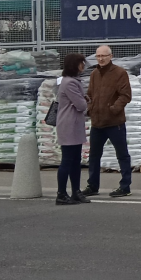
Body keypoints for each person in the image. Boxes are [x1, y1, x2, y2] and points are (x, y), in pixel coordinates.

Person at [82, 45, 133, 198]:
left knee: (122, 154)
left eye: (104, 56)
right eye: (98, 56)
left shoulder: (119, 73)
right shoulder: (94, 74)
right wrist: (90, 109)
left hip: (114, 122)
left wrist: (114, 109)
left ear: (111, 56)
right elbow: (89, 95)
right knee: (94, 156)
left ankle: (125, 186)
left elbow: (125, 95)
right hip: (97, 122)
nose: (101, 59)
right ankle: (92, 185)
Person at [55, 53, 90, 206]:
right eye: (81, 63)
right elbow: (81, 105)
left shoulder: (73, 81)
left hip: (74, 125)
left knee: (75, 160)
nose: (83, 65)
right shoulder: (70, 83)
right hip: (69, 125)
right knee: (68, 160)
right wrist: (85, 100)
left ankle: (76, 191)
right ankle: (61, 193)